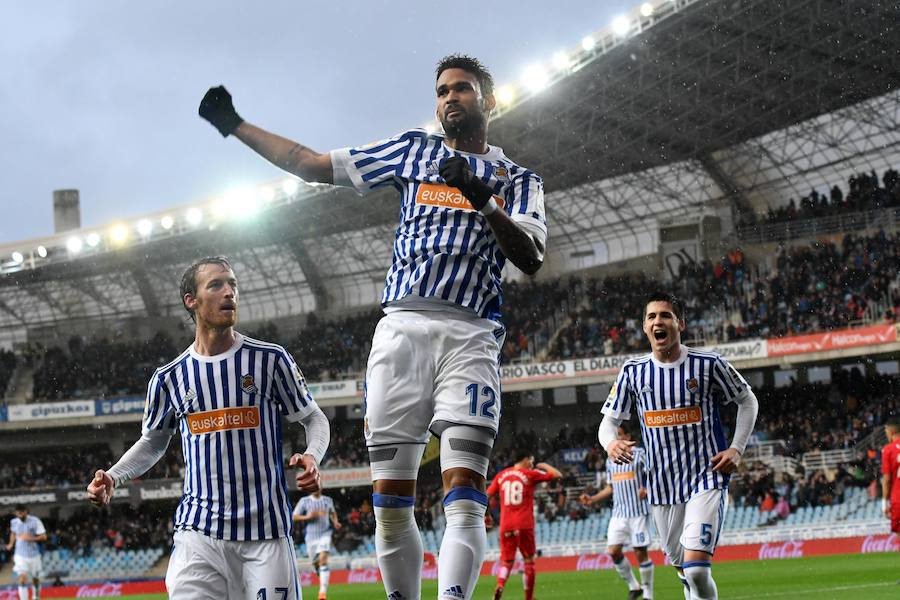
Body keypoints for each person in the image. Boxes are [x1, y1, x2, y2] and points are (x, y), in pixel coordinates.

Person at [200, 54, 546, 600]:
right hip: (400, 331)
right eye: (441, 91)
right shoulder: (414, 151)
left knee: (464, 493)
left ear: (489, 101)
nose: (449, 98)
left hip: (471, 334)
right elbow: (312, 163)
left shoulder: (518, 180)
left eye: (461, 89)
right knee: (390, 504)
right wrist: (235, 126)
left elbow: (529, 256)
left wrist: (485, 203)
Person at [86, 256, 331, 600]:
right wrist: (114, 476)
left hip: (266, 534)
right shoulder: (169, 378)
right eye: (216, 285)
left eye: (233, 284)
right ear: (191, 300)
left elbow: (314, 417)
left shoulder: (270, 359)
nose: (229, 292)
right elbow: (154, 442)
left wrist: (312, 455)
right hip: (198, 536)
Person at [597, 291, 759, 600]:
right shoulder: (633, 373)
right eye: (651, 317)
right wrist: (610, 444)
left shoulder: (708, 364)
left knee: (697, 569)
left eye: (665, 315)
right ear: (645, 327)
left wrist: (736, 448)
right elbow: (608, 422)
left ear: (679, 324)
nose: (658, 321)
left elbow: (747, 401)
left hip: (706, 477)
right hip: (662, 487)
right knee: (684, 572)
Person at [580, 425, 654, 600]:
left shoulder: (640, 454)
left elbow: (654, 475)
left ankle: (648, 595)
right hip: (619, 513)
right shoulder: (610, 460)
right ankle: (634, 586)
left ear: (628, 436)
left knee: (640, 552)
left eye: (619, 435)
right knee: (613, 551)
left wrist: (648, 490)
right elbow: (610, 488)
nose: (617, 439)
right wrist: (592, 499)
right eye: (614, 435)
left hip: (638, 513)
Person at [484, 452, 561, 600]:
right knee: (529, 561)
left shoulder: (501, 475)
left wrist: (486, 515)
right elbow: (557, 475)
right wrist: (542, 465)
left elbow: (487, 496)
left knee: (506, 561)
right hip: (524, 524)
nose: (532, 464)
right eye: (531, 460)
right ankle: (529, 597)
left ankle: (500, 585)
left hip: (506, 525)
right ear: (525, 459)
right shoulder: (530, 474)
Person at [292, 490, 342, 600]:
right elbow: (294, 516)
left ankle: (322, 593)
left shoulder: (328, 500)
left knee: (323, 559)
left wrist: (335, 522)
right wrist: (307, 517)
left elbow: (333, 512)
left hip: (325, 534)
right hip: (310, 537)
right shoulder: (304, 501)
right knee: (316, 565)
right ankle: (319, 572)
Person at [6, 504, 46, 600]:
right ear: (16, 513)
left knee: (35, 580)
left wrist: (30, 538)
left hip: (34, 555)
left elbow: (44, 537)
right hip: (20, 555)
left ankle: (35, 597)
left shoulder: (35, 521)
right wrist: (11, 544)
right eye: (18, 513)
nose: (20, 515)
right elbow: (13, 533)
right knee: (22, 579)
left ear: (26, 511)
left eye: (22, 513)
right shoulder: (14, 522)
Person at [882, 422, 900, 538]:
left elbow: (887, 479)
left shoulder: (888, 449)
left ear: (891, 432)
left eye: (886, 433)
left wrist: (884, 501)